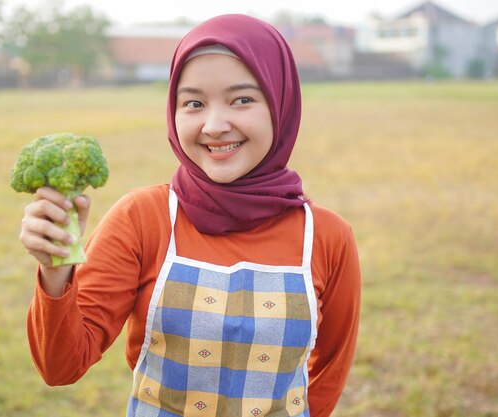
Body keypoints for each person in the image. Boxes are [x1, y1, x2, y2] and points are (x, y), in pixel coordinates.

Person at [20, 14, 360, 417]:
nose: (215, 126)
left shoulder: (327, 236)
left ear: (281, 103)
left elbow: (330, 372)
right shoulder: (141, 219)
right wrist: (56, 272)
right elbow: (61, 367)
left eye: (242, 99)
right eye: (194, 103)